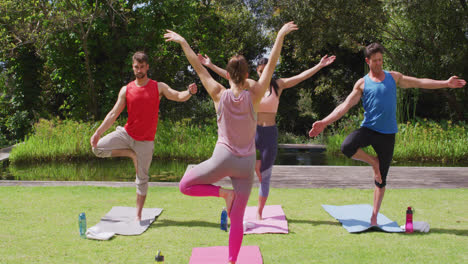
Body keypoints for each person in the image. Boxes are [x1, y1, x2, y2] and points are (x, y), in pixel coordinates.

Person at [164, 22, 298, 264]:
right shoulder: (256, 95)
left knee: (185, 185)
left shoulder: (218, 93)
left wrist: (183, 41)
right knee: (237, 220)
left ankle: (223, 194)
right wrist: (279, 35)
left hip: (222, 160)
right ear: (247, 75)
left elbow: (198, 67)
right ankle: (232, 261)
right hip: (245, 165)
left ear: (227, 75)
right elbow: (272, 64)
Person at [308, 43, 466, 226]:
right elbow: (345, 106)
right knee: (346, 146)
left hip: (388, 134)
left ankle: (374, 216)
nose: (379, 64)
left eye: (381, 60)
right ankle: (373, 161)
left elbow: (419, 82)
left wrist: (445, 83)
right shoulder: (362, 83)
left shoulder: (394, 77)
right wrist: (324, 122)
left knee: (381, 180)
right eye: (375, 61)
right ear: (368, 61)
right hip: (368, 129)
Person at [198, 51, 336, 220]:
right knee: (242, 169)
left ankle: (259, 212)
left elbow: (300, 77)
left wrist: (319, 65)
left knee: (265, 175)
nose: (263, 73)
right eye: (260, 71)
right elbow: (233, 76)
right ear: (256, 71)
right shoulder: (252, 85)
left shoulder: (278, 85)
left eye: (266, 70)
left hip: (269, 134)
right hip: (251, 132)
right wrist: (210, 65)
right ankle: (235, 200)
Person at [90, 51, 197, 221]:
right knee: (98, 148)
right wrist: (98, 132)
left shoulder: (158, 87)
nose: (139, 70)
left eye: (142, 67)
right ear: (133, 68)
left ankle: (138, 215)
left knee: (142, 179)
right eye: (136, 67)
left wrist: (189, 92)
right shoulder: (126, 90)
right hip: (126, 134)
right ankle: (130, 154)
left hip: (145, 142)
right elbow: (112, 114)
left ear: (147, 67)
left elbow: (177, 96)